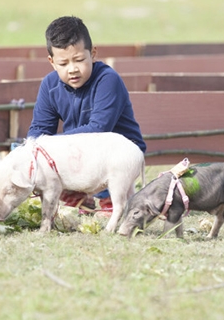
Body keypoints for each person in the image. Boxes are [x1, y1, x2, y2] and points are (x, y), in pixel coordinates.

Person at [27, 15, 146, 213]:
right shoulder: (50, 85)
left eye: (80, 60)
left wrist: (50, 144)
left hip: (117, 156)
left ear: (93, 53)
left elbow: (98, 129)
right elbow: (39, 130)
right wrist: (31, 149)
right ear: (52, 62)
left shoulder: (108, 80)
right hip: (79, 156)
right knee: (37, 153)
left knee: (56, 149)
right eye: (63, 64)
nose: (73, 69)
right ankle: (78, 196)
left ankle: (109, 200)